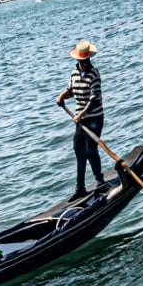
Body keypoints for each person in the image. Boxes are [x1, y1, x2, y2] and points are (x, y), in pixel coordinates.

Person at [55, 40, 105, 196]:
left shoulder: (94, 74)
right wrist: (62, 96)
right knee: (79, 150)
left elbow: (94, 99)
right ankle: (80, 188)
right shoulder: (74, 73)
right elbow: (71, 90)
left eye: (83, 60)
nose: (82, 62)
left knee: (91, 150)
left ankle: (100, 180)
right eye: (81, 59)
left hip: (94, 118)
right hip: (81, 120)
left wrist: (81, 114)